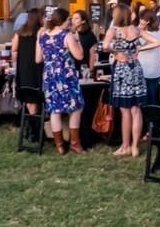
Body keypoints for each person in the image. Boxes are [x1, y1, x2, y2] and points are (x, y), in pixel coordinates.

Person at [103, 5, 160, 157]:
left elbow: (104, 46)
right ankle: (135, 146)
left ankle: (125, 145)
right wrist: (139, 50)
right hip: (135, 68)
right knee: (136, 109)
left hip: (122, 70)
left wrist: (116, 52)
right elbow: (156, 42)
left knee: (125, 111)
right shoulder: (136, 30)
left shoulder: (113, 30)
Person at [37, 8, 86, 154]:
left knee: (54, 110)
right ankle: (75, 143)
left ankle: (59, 145)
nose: (70, 22)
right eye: (68, 20)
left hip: (49, 76)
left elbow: (38, 59)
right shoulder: (67, 36)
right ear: (64, 21)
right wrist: (77, 39)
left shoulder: (42, 36)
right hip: (66, 75)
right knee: (76, 108)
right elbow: (79, 56)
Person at [12, 9, 44, 116]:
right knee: (37, 94)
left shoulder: (20, 31)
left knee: (28, 94)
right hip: (37, 66)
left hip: (23, 66)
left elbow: (14, 50)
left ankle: (31, 118)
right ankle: (35, 122)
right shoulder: (41, 31)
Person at [137, 9, 160, 109]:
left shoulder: (142, 33)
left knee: (143, 102)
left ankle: (146, 122)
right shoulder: (159, 33)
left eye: (142, 19)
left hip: (144, 69)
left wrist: (140, 48)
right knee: (153, 100)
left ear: (147, 21)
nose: (140, 21)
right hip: (155, 70)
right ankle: (154, 122)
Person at [71, 10, 97, 74]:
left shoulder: (90, 35)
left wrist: (91, 70)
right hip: (71, 68)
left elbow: (92, 54)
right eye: (72, 18)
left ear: (83, 21)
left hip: (83, 68)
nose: (73, 21)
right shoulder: (69, 34)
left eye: (76, 18)